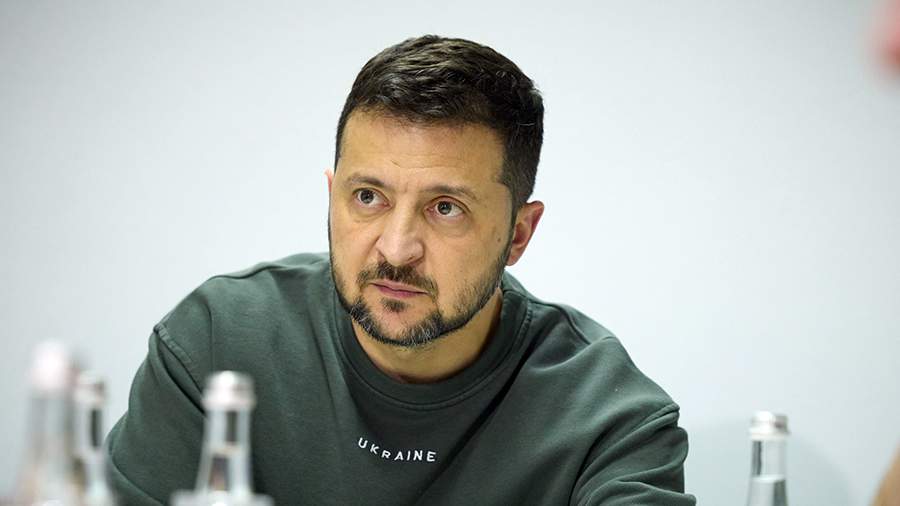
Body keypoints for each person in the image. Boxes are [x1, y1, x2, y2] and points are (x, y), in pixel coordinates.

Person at [106, 35, 696, 505]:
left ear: (518, 234)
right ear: (332, 196)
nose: (395, 249)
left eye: (446, 208)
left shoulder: (608, 420)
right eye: (368, 197)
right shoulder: (216, 345)